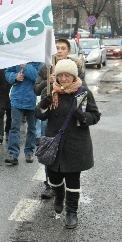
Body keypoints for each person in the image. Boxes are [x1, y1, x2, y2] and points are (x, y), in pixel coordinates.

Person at [35, 59, 100, 229]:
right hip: (54, 142)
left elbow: (95, 115)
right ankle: (58, 195)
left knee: (73, 179)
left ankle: (72, 212)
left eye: (68, 75)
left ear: (73, 77)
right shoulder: (50, 92)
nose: (64, 79)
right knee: (54, 178)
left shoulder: (83, 93)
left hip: (75, 143)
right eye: (61, 75)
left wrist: (83, 117)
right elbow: (39, 115)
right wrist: (44, 104)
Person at [34, 38, 86, 198]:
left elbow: (83, 88)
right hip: (51, 114)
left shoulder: (76, 66)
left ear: (68, 51)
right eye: (56, 48)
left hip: (69, 116)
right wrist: (47, 82)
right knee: (49, 147)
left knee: (68, 150)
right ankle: (49, 183)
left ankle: (68, 183)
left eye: (63, 48)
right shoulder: (46, 68)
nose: (59, 51)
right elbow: (36, 89)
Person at [4, 62, 43, 165]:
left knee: (32, 128)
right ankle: (13, 154)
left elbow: (37, 77)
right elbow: (8, 72)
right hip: (17, 98)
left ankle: (29, 151)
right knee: (14, 127)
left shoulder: (39, 62)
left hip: (33, 100)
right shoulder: (18, 59)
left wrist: (25, 67)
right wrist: (15, 76)